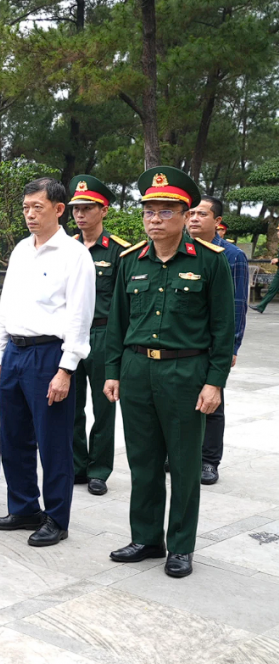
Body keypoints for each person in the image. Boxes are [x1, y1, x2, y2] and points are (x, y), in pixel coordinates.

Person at [104, 167, 234, 578]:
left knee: (183, 464)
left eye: (165, 211)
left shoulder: (210, 261)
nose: (155, 219)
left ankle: (180, 545)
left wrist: (215, 382)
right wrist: (113, 371)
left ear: (184, 215)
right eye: (149, 211)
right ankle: (146, 538)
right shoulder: (131, 261)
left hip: (185, 372)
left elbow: (223, 328)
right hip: (137, 369)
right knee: (142, 461)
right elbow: (117, 323)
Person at [0, 178, 94, 547]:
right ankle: (23, 507)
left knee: (53, 442)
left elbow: (80, 316)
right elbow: (6, 305)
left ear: (59, 209)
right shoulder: (21, 250)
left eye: (38, 207)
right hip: (15, 352)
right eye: (25, 208)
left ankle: (57, 517)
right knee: (14, 437)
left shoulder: (74, 255)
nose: (30, 214)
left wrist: (66, 369)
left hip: (49, 355)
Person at [67, 175, 129, 496]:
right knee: (70, 402)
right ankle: (76, 465)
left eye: (87, 208)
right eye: (76, 208)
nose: (80, 214)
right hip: (70, 333)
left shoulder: (119, 251)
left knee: (104, 406)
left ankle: (99, 470)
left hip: (104, 333)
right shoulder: (66, 248)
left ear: (103, 210)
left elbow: (124, 303)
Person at [187, 196, 247, 485]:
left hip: (215, 341)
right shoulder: (180, 250)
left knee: (212, 401)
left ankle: (209, 460)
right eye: (191, 213)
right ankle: (181, 454)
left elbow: (238, 304)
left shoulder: (232, 255)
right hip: (186, 340)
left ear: (217, 221)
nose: (194, 218)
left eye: (202, 214)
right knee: (181, 399)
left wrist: (232, 346)